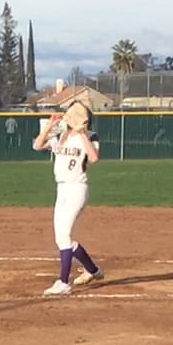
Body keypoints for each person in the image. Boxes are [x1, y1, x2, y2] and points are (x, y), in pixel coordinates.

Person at [36, 103, 105, 296]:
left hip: (77, 188)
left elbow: (93, 158)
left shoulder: (90, 136)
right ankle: (93, 270)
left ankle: (63, 282)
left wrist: (81, 132)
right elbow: (37, 145)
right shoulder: (61, 135)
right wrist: (49, 127)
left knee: (63, 236)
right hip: (62, 189)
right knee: (61, 237)